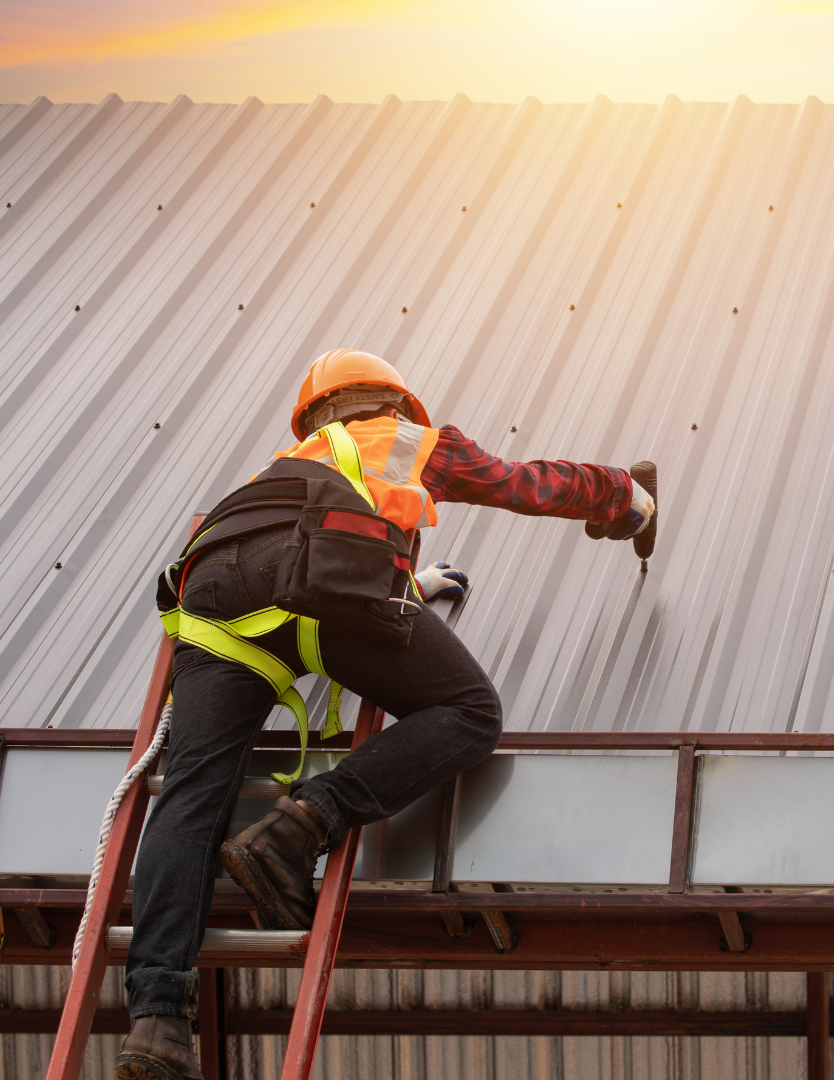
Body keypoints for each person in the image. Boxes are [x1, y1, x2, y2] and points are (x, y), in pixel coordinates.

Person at [115, 349, 655, 1080]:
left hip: (215, 601)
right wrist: (622, 495)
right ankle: (305, 821)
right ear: (395, 404)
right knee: (469, 712)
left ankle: (155, 1023)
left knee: (189, 799)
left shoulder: (278, 468)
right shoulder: (413, 441)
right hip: (325, 587)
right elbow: (527, 485)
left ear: (312, 416)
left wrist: (412, 579)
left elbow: (292, 542)